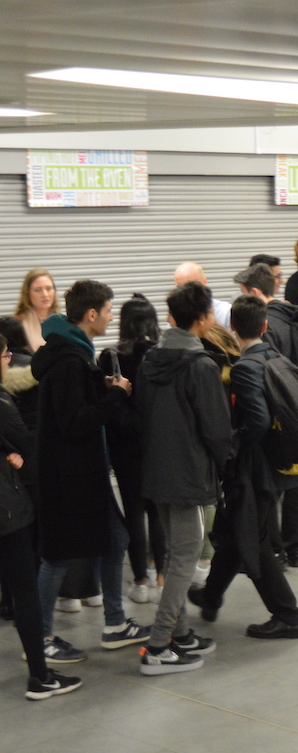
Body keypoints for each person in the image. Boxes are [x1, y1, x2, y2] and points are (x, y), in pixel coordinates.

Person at [33, 279, 150, 665]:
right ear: (91, 314)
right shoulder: (69, 360)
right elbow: (73, 422)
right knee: (58, 558)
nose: (112, 316)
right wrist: (116, 396)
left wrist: (100, 387)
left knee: (117, 539)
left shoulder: (76, 355)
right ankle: (40, 638)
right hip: (69, 479)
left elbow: (75, 404)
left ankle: (115, 623)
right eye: (108, 309)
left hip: (85, 473)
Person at [189, 295, 298, 640]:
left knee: (251, 541)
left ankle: (289, 615)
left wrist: (232, 446)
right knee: (230, 533)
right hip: (276, 463)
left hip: (253, 469)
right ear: (265, 326)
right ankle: (210, 597)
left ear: (232, 328)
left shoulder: (244, 367)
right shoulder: (275, 357)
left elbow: (257, 418)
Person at [135, 282, 232, 674]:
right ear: (204, 318)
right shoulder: (201, 365)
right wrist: (227, 461)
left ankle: (180, 634)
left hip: (156, 471)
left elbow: (142, 413)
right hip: (189, 476)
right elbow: (216, 430)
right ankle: (158, 646)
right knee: (184, 560)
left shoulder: (150, 360)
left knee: (175, 554)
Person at [0, 332, 82, 699]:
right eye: (4, 355)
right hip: (7, 512)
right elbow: (27, 443)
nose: (8, 360)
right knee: (26, 591)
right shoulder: (1, 402)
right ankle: (40, 677)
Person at [234, 263, 298, 567]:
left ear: (255, 292)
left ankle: (275, 551)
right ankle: (294, 548)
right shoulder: (296, 315)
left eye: (243, 292)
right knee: (297, 483)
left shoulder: (267, 326)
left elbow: (263, 378)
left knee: (269, 491)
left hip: (277, 418)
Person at [98, 295, 167, 604]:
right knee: (158, 510)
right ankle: (163, 574)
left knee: (134, 512)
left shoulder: (110, 357)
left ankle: (139, 579)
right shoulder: (162, 355)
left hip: (125, 444)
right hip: (158, 441)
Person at [173, 262, 232, 329]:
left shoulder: (225, 313)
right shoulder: (176, 315)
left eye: (190, 287)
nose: (185, 293)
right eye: (179, 287)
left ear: (204, 282)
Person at [14, 268, 58, 352]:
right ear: (27, 294)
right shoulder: (18, 324)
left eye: (48, 289)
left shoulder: (63, 322)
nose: (45, 294)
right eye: (38, 290)